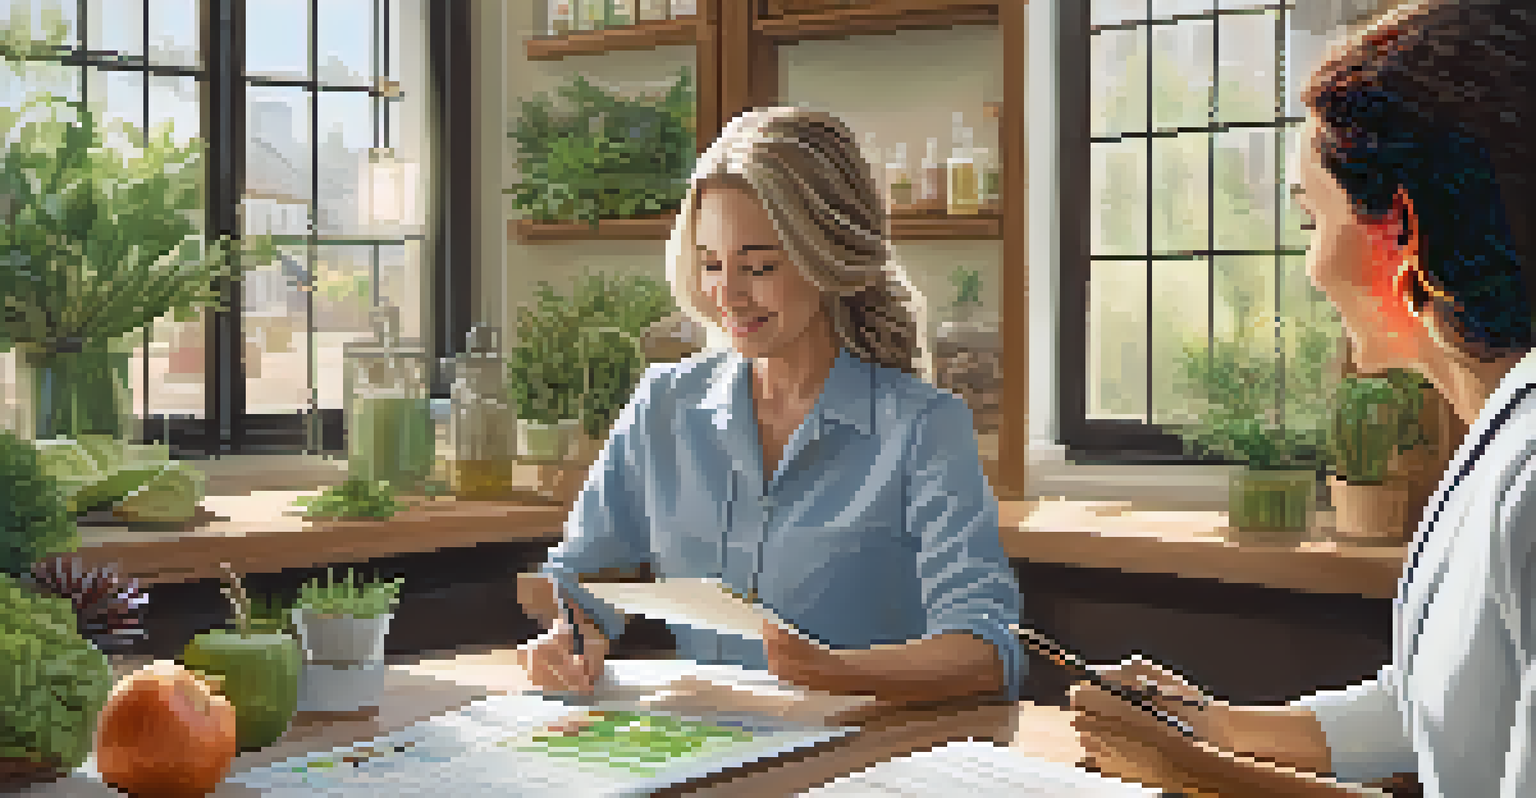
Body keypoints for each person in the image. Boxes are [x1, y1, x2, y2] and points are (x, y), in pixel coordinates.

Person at [1070, 1, 1535, 795]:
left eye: (1309, 216)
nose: (1311, 267)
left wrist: (1200, 775)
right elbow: (1445, 703)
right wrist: (1215, 725)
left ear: (1401, 226)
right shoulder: (1500, 434)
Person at [514, 106, 1024, 707]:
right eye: (710, 264)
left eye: (758, 267)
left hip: (862, 760)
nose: (727, 294)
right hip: (704, 753)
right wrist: (569, 637)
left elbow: (986, 650)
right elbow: (582, 580)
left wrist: (834, 670)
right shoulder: (663, 406)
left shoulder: (922, 429)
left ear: (826, 255)